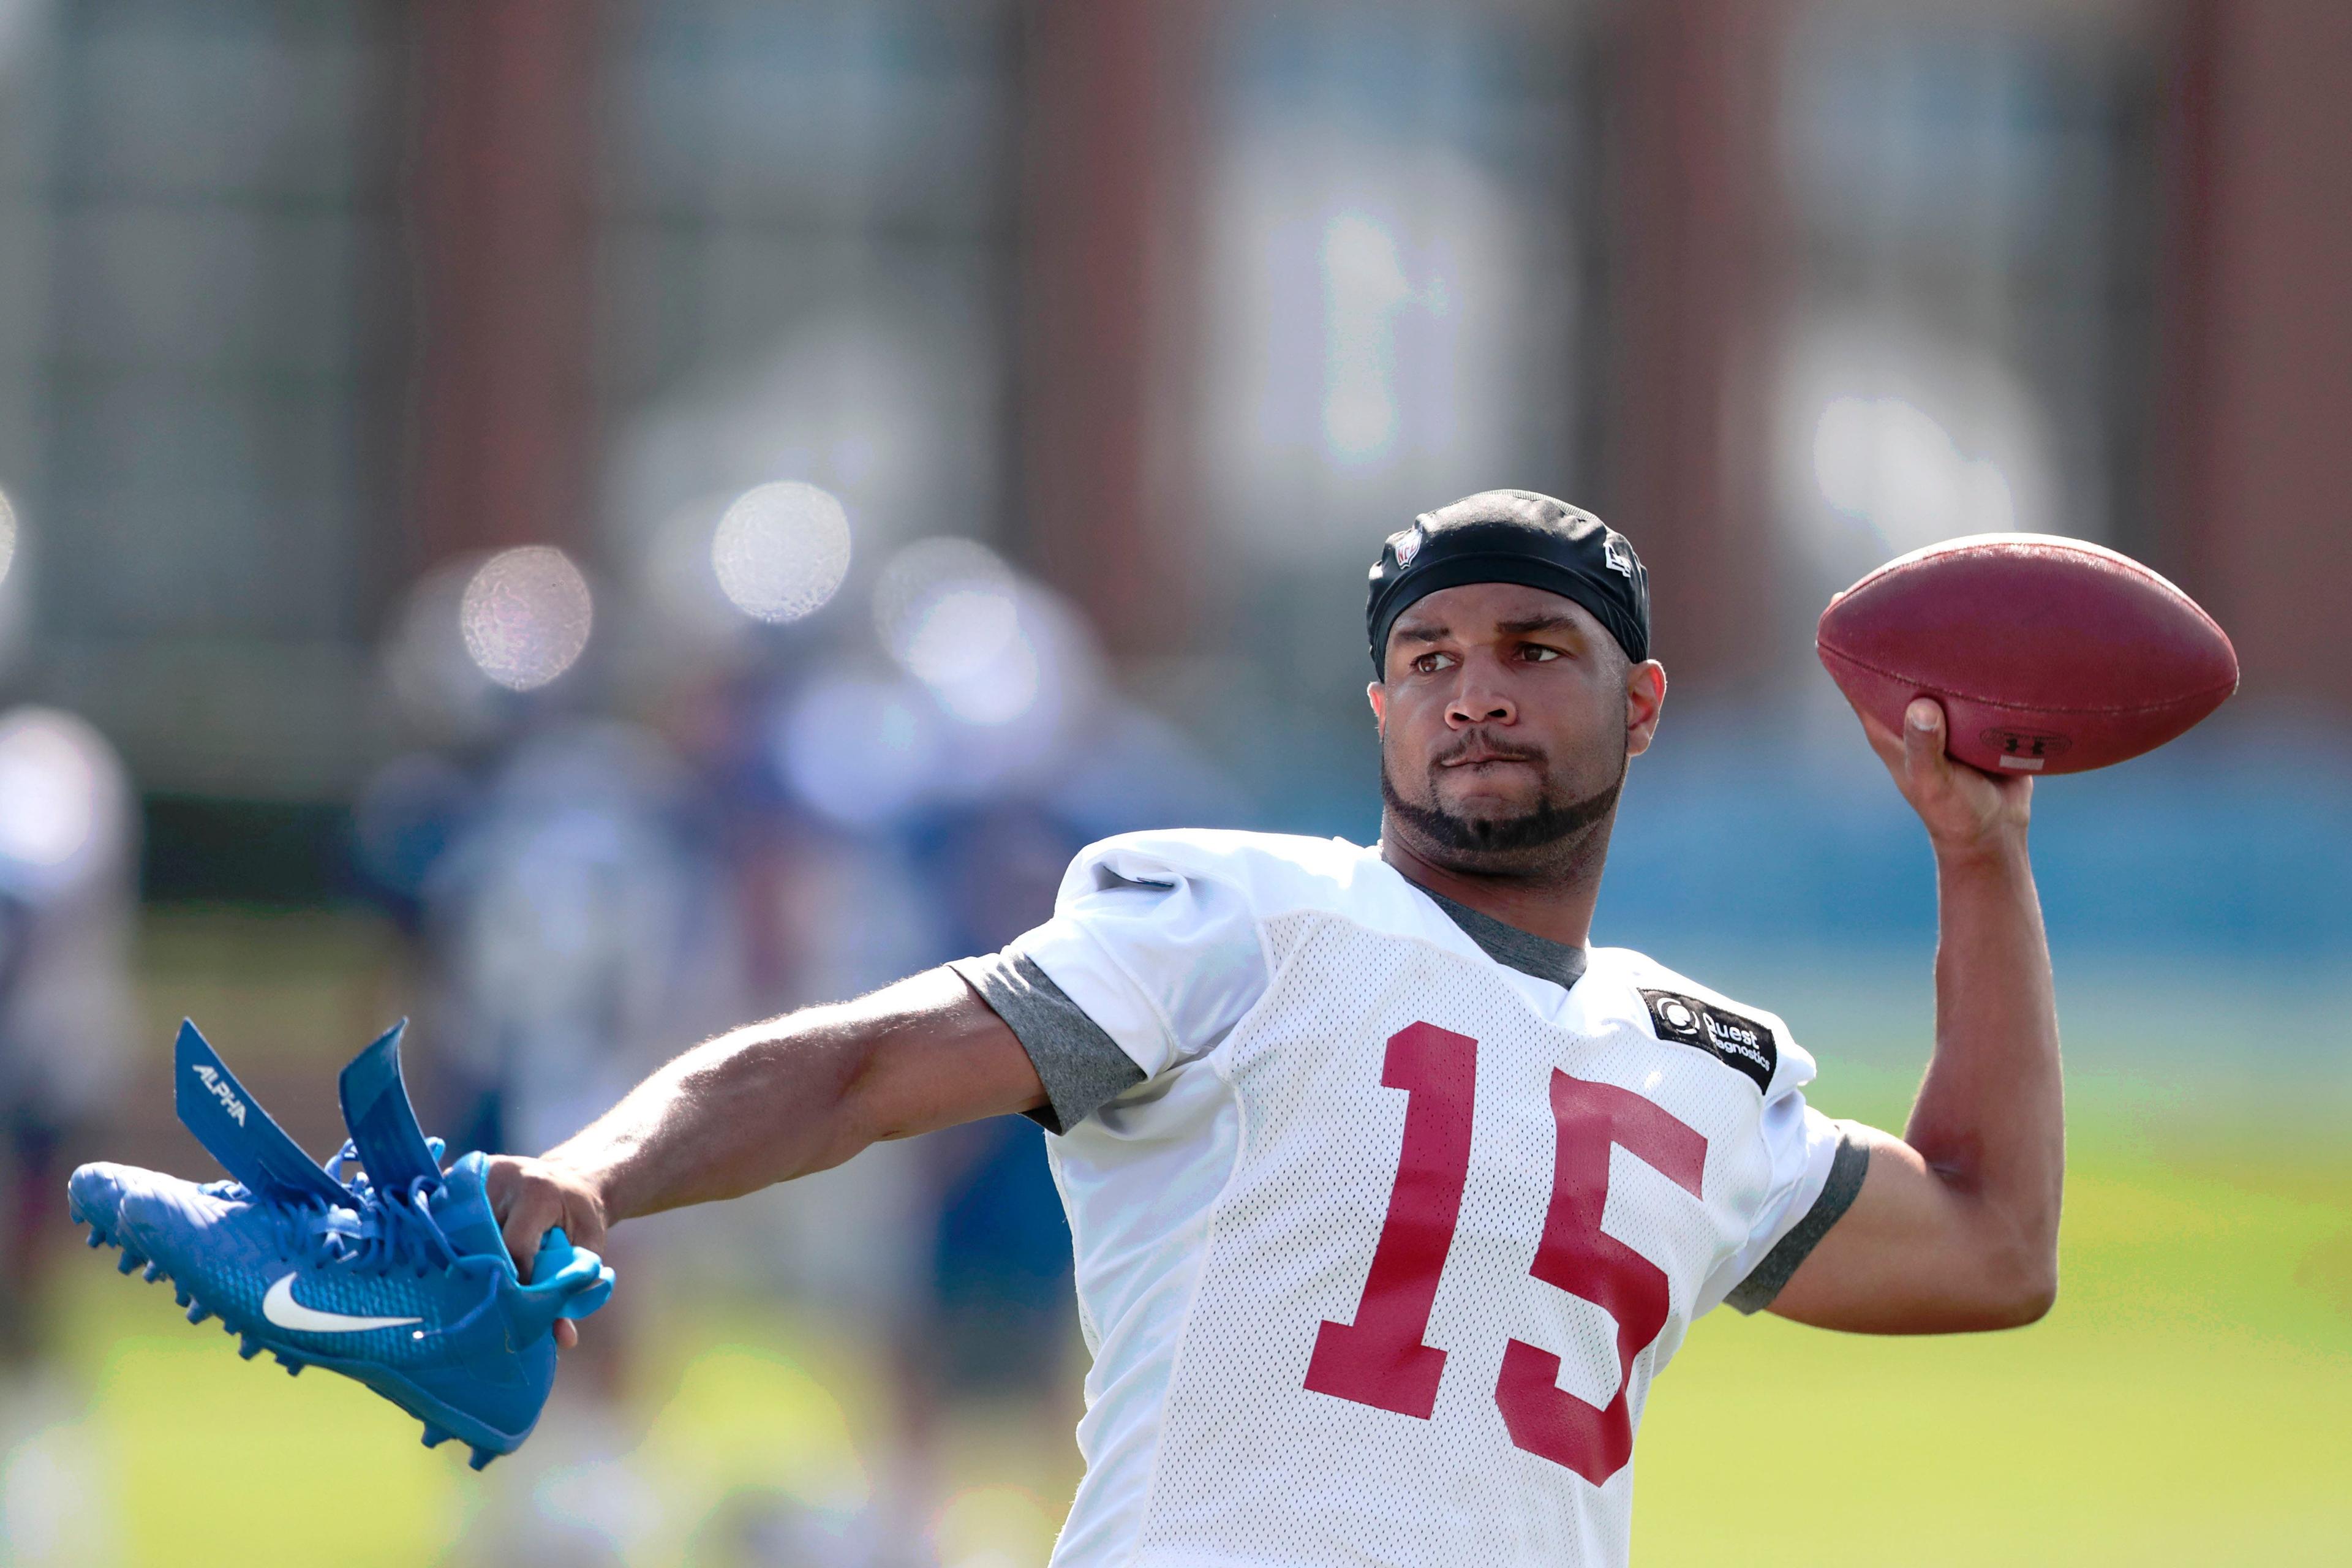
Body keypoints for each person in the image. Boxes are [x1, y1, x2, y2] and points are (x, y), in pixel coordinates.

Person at [487, 490, 2063, 1567]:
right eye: (1427, 658)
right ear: (1379, 708)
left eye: (1535, 650)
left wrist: (1979, 854)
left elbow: (1995, 1244)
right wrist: (601, 1168)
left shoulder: (1701, 1058)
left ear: (1640, 702)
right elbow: (863, 1062)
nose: (1475, 694)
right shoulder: (1235, 922)